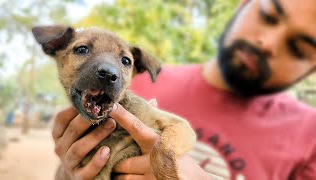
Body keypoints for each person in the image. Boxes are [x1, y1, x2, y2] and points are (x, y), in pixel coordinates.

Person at [52, 0, 316, 179]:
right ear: (245, 4)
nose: (267, 43)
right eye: (268, 16)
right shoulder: (131, 84)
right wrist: (71, 169)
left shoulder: (310, 136)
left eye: (299, 49)